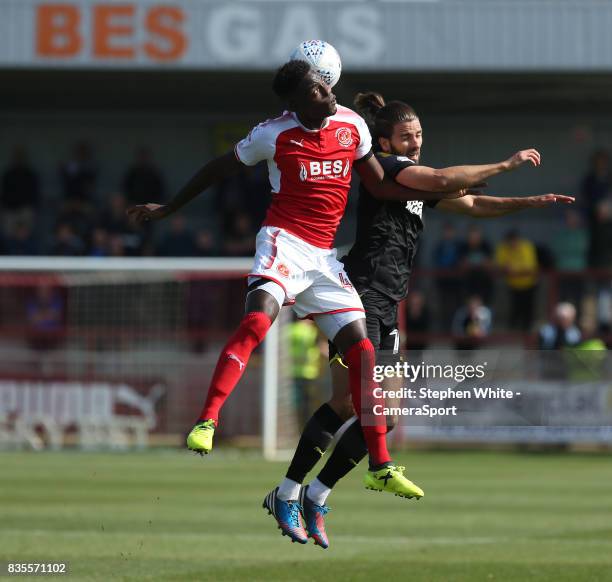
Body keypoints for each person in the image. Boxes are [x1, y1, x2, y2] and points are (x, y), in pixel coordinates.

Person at [127, 61, 467, 543]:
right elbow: (219, 168)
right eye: (316, 91)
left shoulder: (351, 125)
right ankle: (207, 420)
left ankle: (379, 467)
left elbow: (381, 185)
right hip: (284, 244)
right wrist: (170, 208)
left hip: (326, 261)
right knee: (256, 325)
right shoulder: (273, 134)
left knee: (363, 357)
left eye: (327, 86)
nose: (328, 95)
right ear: (296, 102)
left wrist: (456, 185)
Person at [271, 92, 574, 549]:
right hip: (359, 296)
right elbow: (444, 178)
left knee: (386, 415)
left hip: (387, 305)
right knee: (348, 404)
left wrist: (527, 203)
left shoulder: (416, 188)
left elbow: (471, 205)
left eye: (419, 136)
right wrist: (505, 165)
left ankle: (316, 494)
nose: (416, 143)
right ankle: (288, 492)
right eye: (407, 137)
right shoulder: (389, 170)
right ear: (385, 142)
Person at [495, 229, 539, 331]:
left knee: (528, 309)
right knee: (515, 310)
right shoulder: (503, 248)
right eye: (510, 242)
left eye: (514, 241)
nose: (512, 244)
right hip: (513, 285)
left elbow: (530, 266)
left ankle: (526, 331)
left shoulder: (526, 246)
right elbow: (499, 264)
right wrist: (507, 268)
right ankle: (514, 331)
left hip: (529, 284)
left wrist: (514, 269)